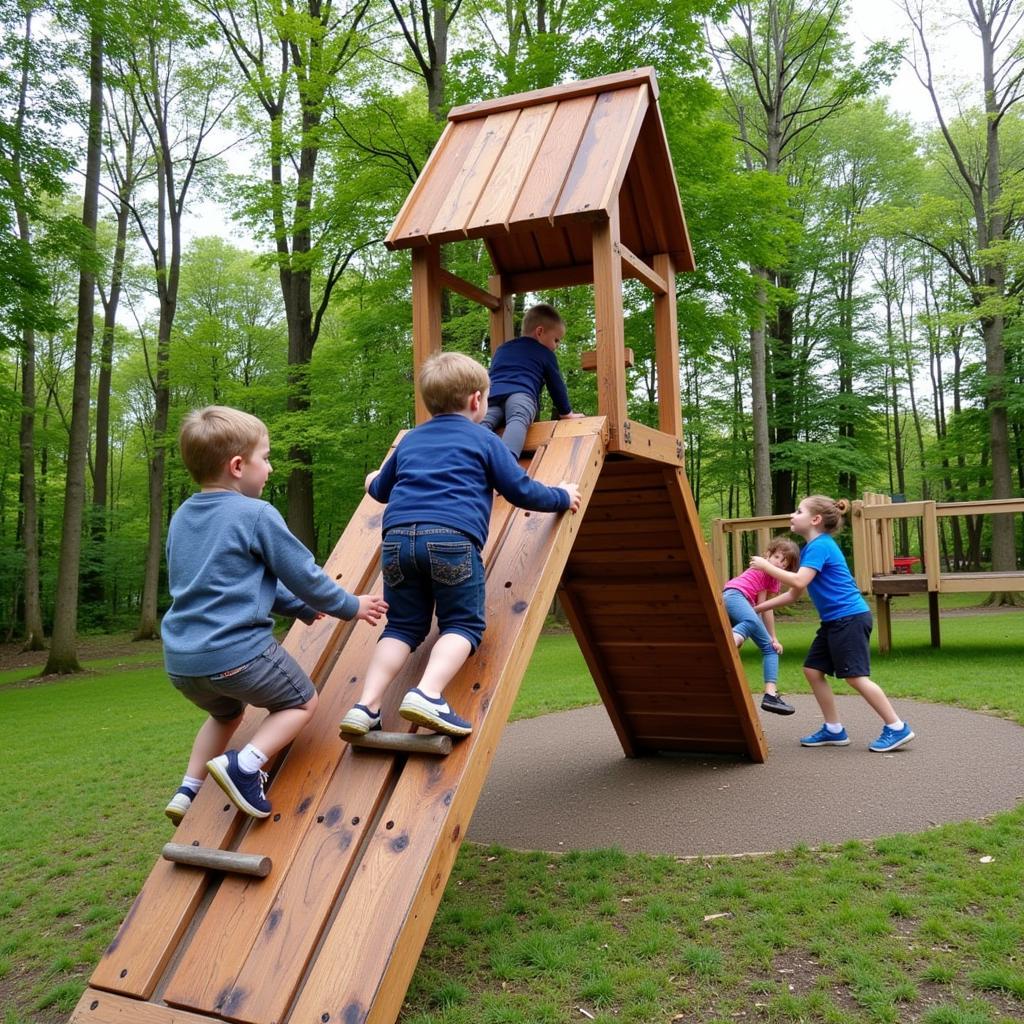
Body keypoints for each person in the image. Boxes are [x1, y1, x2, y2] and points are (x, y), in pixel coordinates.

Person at [161, 406, 387, 824]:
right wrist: (350, 606)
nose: (270, 466)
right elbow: (302, 574)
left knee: (225, 713)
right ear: (236, 466)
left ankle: (188, 789)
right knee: (301, 702)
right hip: (236, 653)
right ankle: (245, 766)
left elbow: (229, 582)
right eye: (264, 457)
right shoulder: (255, 514)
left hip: (182, 662)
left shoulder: (182, 519)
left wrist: (299, 608)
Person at [340, 351, 582, 739]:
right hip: (450, 538)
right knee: (462, 623)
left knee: (402, 626)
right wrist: (560, 495)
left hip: (397, 542)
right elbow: (519, 490)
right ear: (476, 401)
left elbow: (381, 490)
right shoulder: (485, 440)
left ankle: (365, 706)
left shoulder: (412, 440)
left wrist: (371, 479)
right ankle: (428, 693)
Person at [750, 495, 915, 753]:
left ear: (815, 520)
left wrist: (766, 567)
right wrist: (758, 608)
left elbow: (799, 582)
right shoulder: (811, 549)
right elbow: (795, 593)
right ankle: (834, 729)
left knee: (855, 677)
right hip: (833, 622)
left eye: (798, 511)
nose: (792, 515)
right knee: (813, 670)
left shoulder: (820, 546)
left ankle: (896, 727)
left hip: (848, 618)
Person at [482, 302, 585, 458]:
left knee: (484, 423)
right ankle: (506, 462)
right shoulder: (545, 353)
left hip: (492, 395)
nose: (556, 346)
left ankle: (467, 455)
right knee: (518, 419)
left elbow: (490, 374)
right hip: (521, 394)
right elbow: (556, 384)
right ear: (540, 332)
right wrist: (567, 413)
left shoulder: (502, 349)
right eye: (556, 340)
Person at [722, 537, 801, 715]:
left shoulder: (773, 579)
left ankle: (770, 696)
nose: (780, 565)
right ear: (768, 555)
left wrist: (773, 637)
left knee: (770, 649)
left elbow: (765, 608)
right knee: (750, 622)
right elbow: (756, 612)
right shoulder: (760, 566)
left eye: (785, 563)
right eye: (777, 558)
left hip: (742, 604)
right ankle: (728, 644)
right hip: (733, 596)